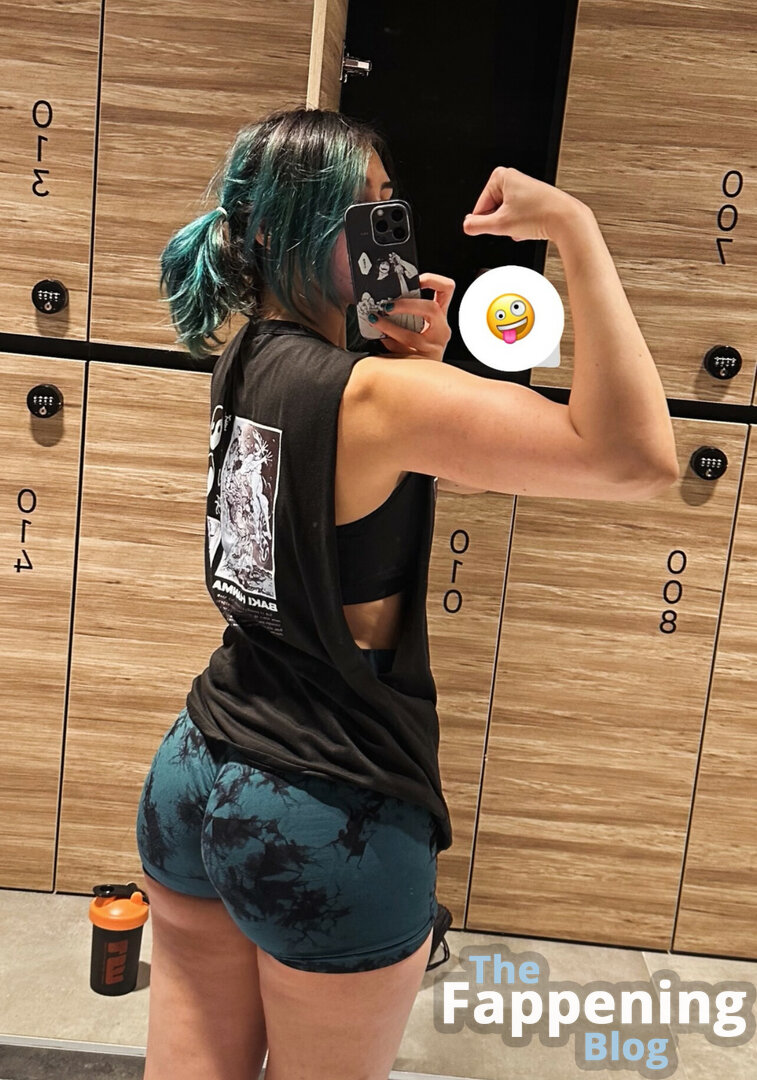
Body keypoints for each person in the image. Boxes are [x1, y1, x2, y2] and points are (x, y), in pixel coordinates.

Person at [135, 107, 678, 1080]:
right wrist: (577, 231)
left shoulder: (247, 357)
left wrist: (415, 369)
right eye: (367, 209)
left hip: (197, 768)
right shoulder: (377, 400)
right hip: (324, 807)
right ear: (295, 229)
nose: (388, 230)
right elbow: (636, 457)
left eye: (391, 205)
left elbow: (352, 490)